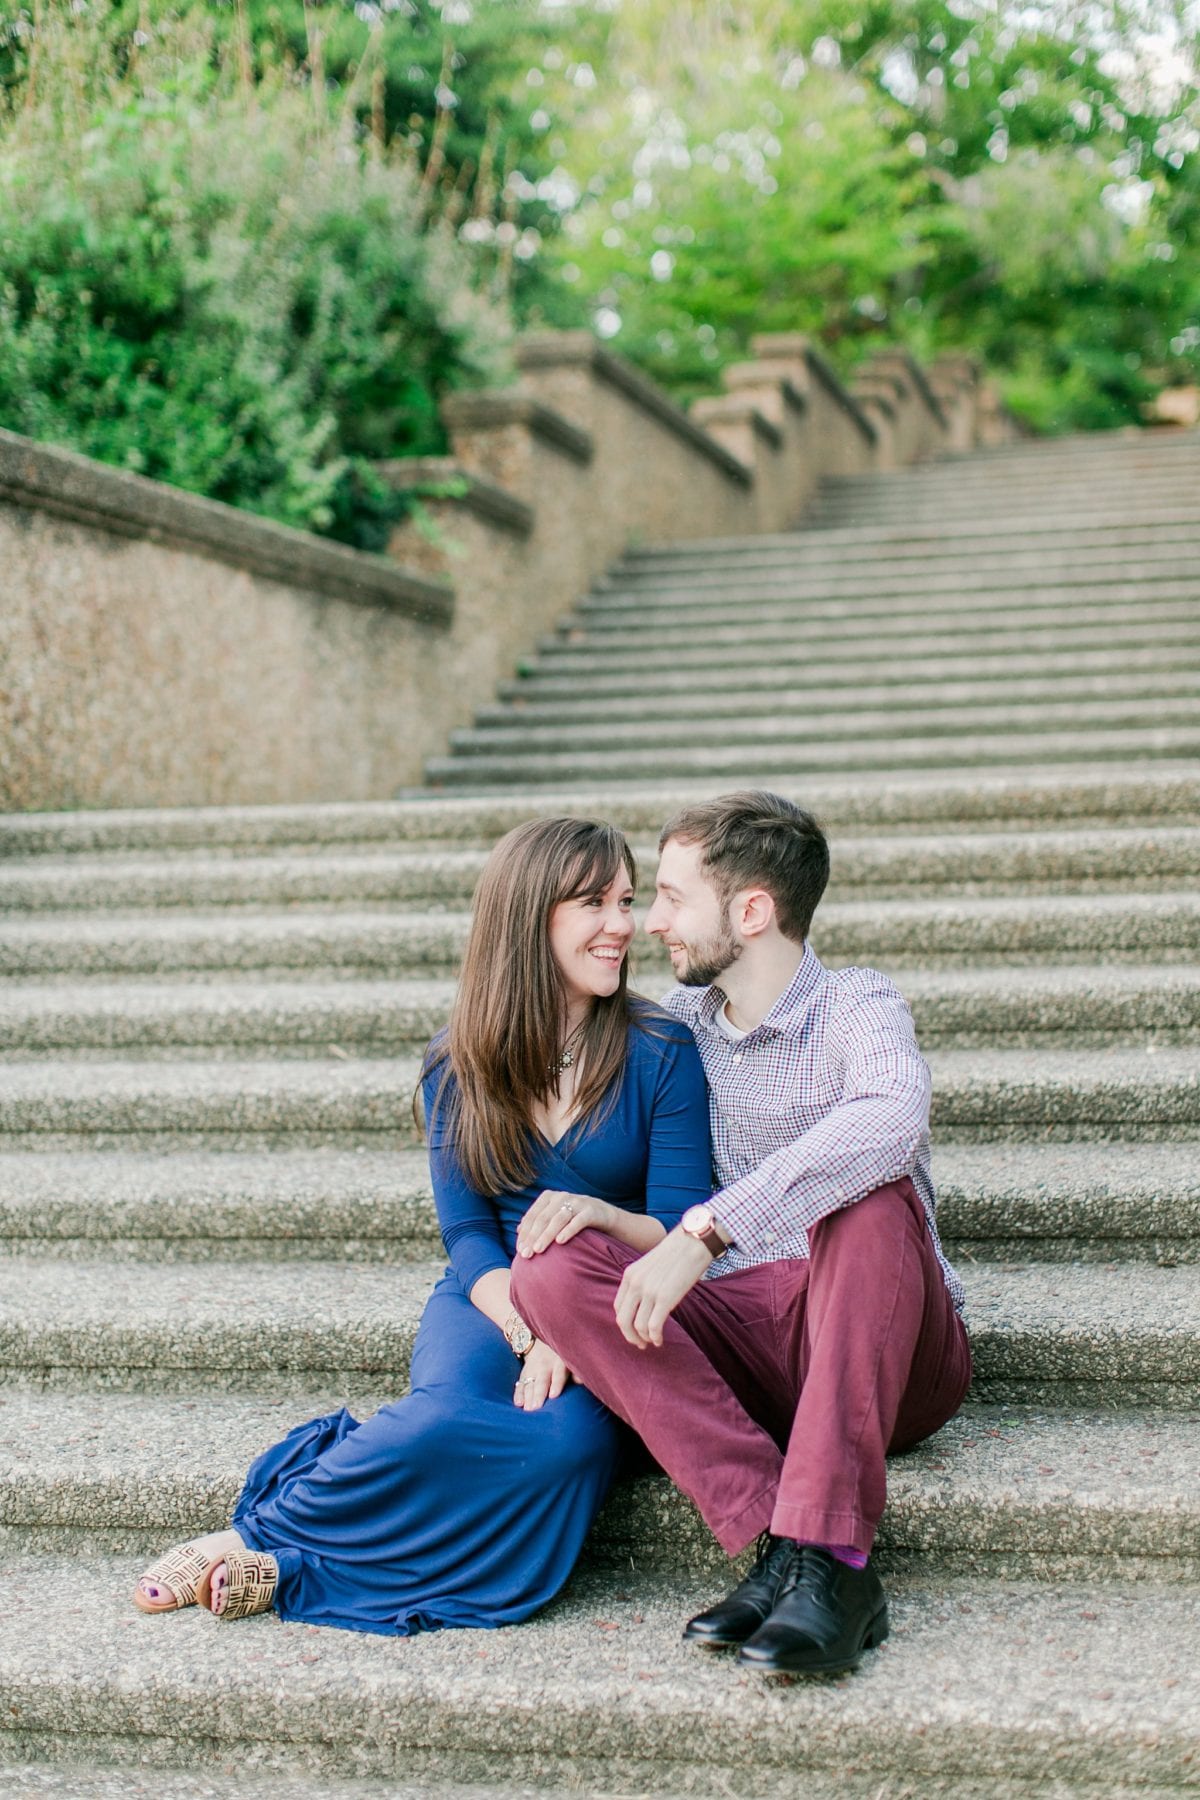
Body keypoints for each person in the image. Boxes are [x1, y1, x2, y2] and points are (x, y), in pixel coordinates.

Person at [133, 816, 713, 1633]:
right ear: (527, 917)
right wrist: (526, 1320)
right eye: (594, 903)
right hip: (487, 1298)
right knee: (444, 1417)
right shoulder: (458, 1060)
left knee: (565, 1449)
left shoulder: (663, 1049)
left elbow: (679, 1228)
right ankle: (252, 1538)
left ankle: (290, 1563)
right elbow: (468, 1232)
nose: (623, 924)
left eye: (625, 899)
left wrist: (574, 1318)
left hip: (615, 1308)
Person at [511, 790, 972, 1675]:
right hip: (757, 1342)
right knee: (553, 1271)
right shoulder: (674, 1031)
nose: (651, 924)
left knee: (864, 1197)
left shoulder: (857, 1005)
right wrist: (591, 1255)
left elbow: (890, 1117)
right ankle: (779, 1544)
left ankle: (834, 1559)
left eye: (674, 898)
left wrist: (710, 1229)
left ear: (752, 910)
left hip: (895, 1347)